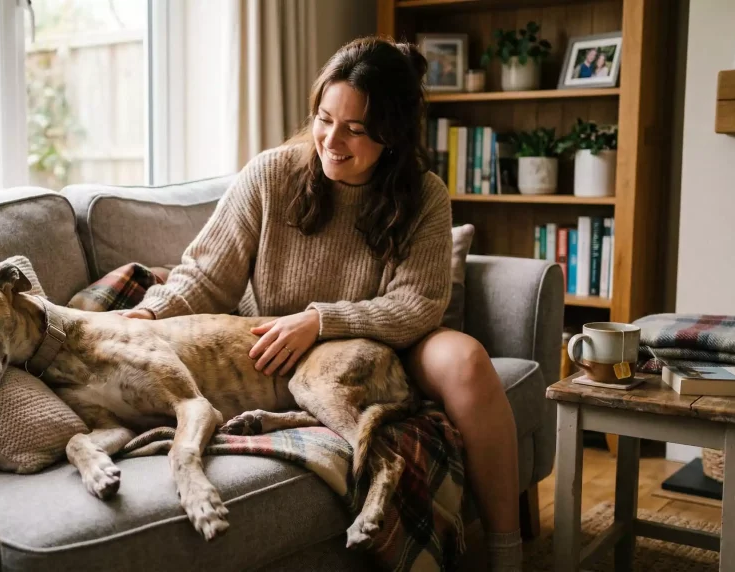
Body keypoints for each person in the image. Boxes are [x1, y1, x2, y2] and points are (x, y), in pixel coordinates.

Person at [123, 36, 522, 571]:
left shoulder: (423, 195)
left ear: (393, 135)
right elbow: (205, 277)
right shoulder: (271, 175)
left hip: (387, 342)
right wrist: (146, 315)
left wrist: (320, 321)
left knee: (469, 360)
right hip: (277, 352)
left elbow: (417, 304)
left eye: (355, 129)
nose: (332, 140)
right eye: (323, 118)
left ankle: (507, 549)